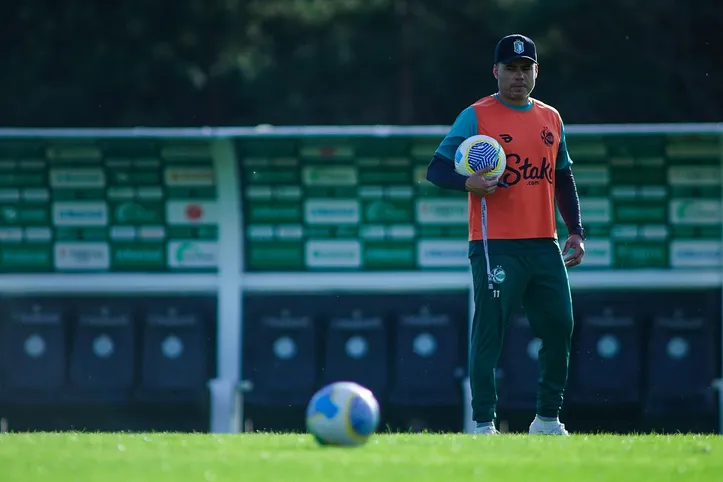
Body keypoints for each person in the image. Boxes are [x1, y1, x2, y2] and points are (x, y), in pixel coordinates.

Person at [426, 34, 585, 435]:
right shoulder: (476, 116)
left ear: (536, 72)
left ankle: (547, 420)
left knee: (559, 326)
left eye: (525, 68)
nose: (518, 76)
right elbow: (437, 169)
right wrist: (468, 184)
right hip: (494, 245)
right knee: (490, 333)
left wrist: (576, 232)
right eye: (510, 69)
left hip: (543, 243)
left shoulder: (551, 118)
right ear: (496, 71)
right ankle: (483, 423)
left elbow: (563, 177)